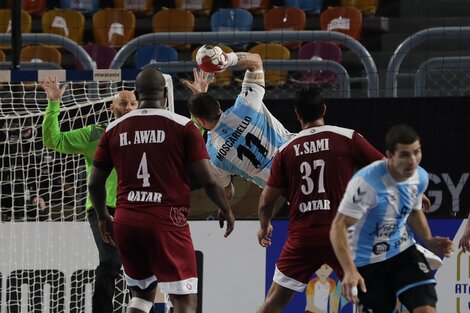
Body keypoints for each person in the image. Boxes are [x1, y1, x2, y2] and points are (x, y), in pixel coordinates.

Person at [88, 67, 235, 313]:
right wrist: (226, 208)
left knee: (142, 296)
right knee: (185, 301)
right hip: (166, 223)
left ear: (137, 93)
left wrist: (103, 216)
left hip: (126, 222)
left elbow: (94, 183)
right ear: (166, 96)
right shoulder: (183, 126)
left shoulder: (113, 129)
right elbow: (208, 179)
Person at [255, 86, 384, 313]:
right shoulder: (347, 137)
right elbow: (385, 168)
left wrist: (264, 227)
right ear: (324, 108)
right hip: (342, 235)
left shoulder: (286, 150)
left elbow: (266, 201)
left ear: (297, 114)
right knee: (371, 297)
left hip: (303, 239)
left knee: (273, 303)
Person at [330, 124, 454, 313]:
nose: (413, 161)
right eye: (405, 155)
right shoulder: (366, 184)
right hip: (367, 262)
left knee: (427, 310)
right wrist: (349, 270)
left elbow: (413, 211)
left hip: (402, 253)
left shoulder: (419, 177)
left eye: (417, 152)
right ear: (389, 155)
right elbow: (338, 227)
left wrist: (428, 240)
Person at [40, 77, 138, 313]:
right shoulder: (95, 134)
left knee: (144, 267)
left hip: (138, 207)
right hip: (103, 208)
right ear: (111, 108)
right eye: (123, 103)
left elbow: (187, 142)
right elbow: (52, 140)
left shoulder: (148, 135)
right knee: (111, 263)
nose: (128, 108)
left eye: (133, 103)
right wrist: (54, 104)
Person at [183, 49, 294, 200]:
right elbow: (255, 61)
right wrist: (227, 59)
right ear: (217, 103)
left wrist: (224, 209)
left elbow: (227, 192)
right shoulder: (247, 104)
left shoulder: (214, 156)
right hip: (300, 155)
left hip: (286, 187)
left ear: (200, 121)